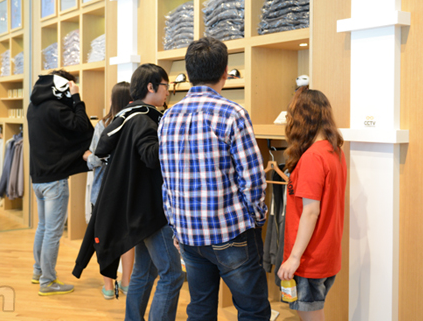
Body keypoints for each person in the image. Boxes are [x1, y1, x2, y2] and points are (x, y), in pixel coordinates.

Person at [158, 37, 271, 321]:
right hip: (231, 232)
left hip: (188, 233)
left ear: (189, 73)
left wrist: (175, 225)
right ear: (225, 72)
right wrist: (257, 219)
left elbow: (167, 181)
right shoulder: (233, 114)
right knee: (253, 311)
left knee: (200, 309)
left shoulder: (167, 118)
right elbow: (252, 179)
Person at [73, 63, 184, 321]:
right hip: (152, 212)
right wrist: (177, 136)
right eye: (165, 86)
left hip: (137, 211)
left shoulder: (127, 117)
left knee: (145, 272)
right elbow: (151, 156)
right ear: (150, 87)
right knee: (172, 274)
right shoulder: (144, 120)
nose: (168, 91)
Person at [277, 87, 347, 321]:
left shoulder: (312, 158)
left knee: (310, 315)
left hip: (309, 258)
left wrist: (294, 257)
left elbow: (310, 212)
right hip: (326, 254)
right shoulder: (334, 151)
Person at [27, 69, 94, 296]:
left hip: (38, 178)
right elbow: (82, 125)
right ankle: (47, 282)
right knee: (53, 233)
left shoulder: (33, 107)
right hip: (54, 181)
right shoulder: (56, 108)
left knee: (43, 227)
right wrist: (77, 98)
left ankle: (38, 272)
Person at [82, 82, 135, 300]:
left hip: (104, 192)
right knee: (127, 239)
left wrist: (87, 156)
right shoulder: (135, 123)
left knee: (104, 238)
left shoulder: (103, 125)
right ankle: (127, 283)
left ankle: (107, 286)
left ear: (113, 100)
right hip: (128, 191)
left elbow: (96, 159)